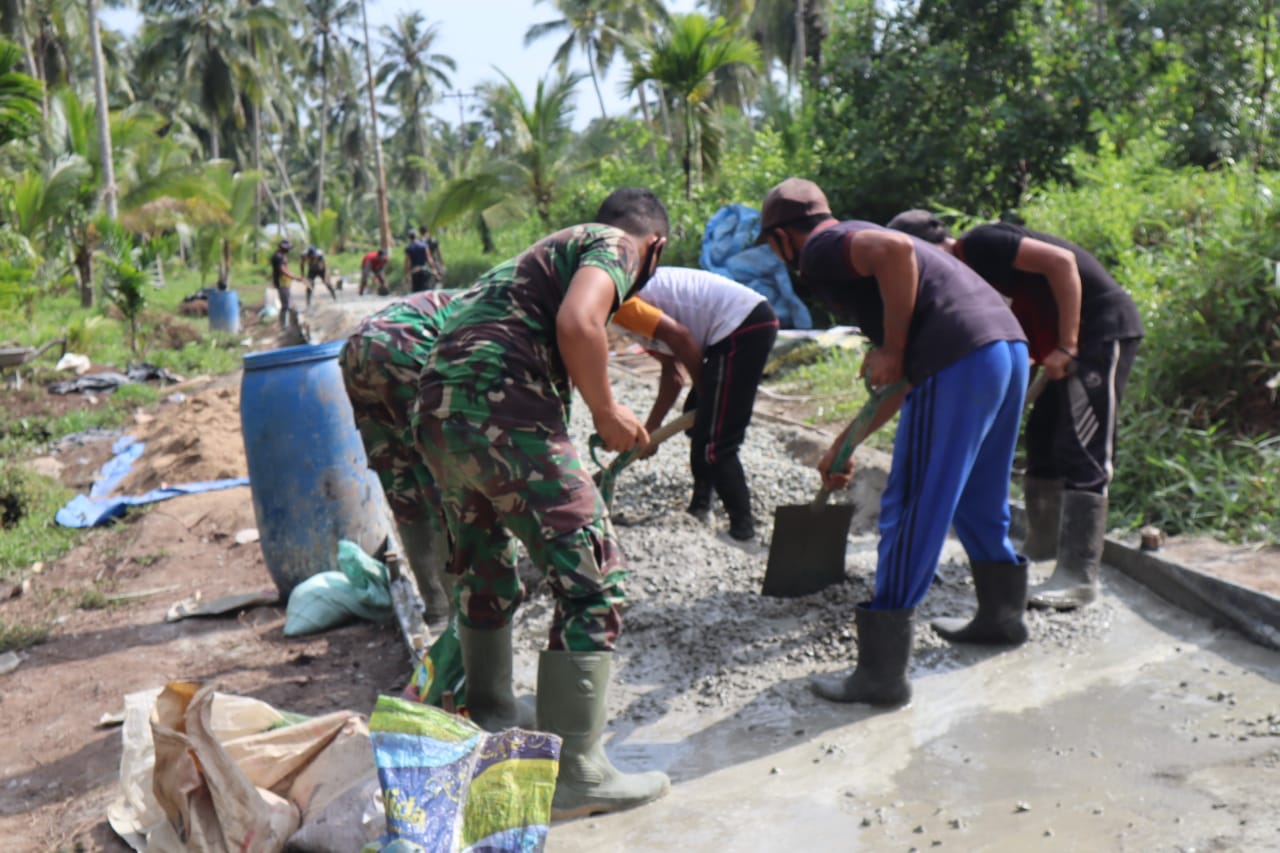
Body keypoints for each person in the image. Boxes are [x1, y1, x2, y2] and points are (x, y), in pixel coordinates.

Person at [413, 187, 671, 819]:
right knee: (594, 582)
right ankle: (576, 774)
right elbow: (579, 324)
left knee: (483, 568)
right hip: (506, 412)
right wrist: (609, 412)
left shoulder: (531, 258)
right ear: (655, 248)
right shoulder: (615, 245)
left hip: (440, 415)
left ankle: (491, 720)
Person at [758, 178, 1030, 708]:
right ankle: (1002, 619)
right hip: (1004, 349)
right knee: (977, 498)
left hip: (959, 358)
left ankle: (881, 676)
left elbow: (896, 247)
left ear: (782, 236)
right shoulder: (875, 266)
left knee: (909, 507)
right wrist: (845, 442)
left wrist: (895, 346)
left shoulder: (823, 247)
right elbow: (900, 380)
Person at [886, 209, 1144, 611]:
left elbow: (1062, 264)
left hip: (1100, 330)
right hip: (1057, 347)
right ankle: (1040, 550)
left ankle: (1078, 575)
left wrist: (1068, 345)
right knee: (1042, 439)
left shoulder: (981, 246)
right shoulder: (966, 283)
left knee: (1083, 444)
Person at [610, 267, 779, 541]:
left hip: (742, 324)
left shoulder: (619, 302)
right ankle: (701, 507)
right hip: (735, 326)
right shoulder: (627, 303)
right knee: (699, 425)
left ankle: (743, 531)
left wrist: (706, 395)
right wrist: (652, 430)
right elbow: (673, 373)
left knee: (717, 440)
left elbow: (682, 337)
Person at [340, 291, 459, 634]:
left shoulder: (468, 300)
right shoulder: (502, 317)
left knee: (399, 479)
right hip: (402, 349)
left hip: (355, 351)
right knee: (438, 476)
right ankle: (456, 616)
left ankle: (434, 609)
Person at [269, 239, 304, 329]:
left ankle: (286, 324)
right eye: (287, 248)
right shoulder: (278, 256)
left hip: (284, 281)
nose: (288, 250)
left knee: (287, 302)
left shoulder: (282, 255)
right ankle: (285, 326)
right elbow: (282, 270)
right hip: (282, 282)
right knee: (286, 304)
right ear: (282, 248)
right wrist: (295, 277)